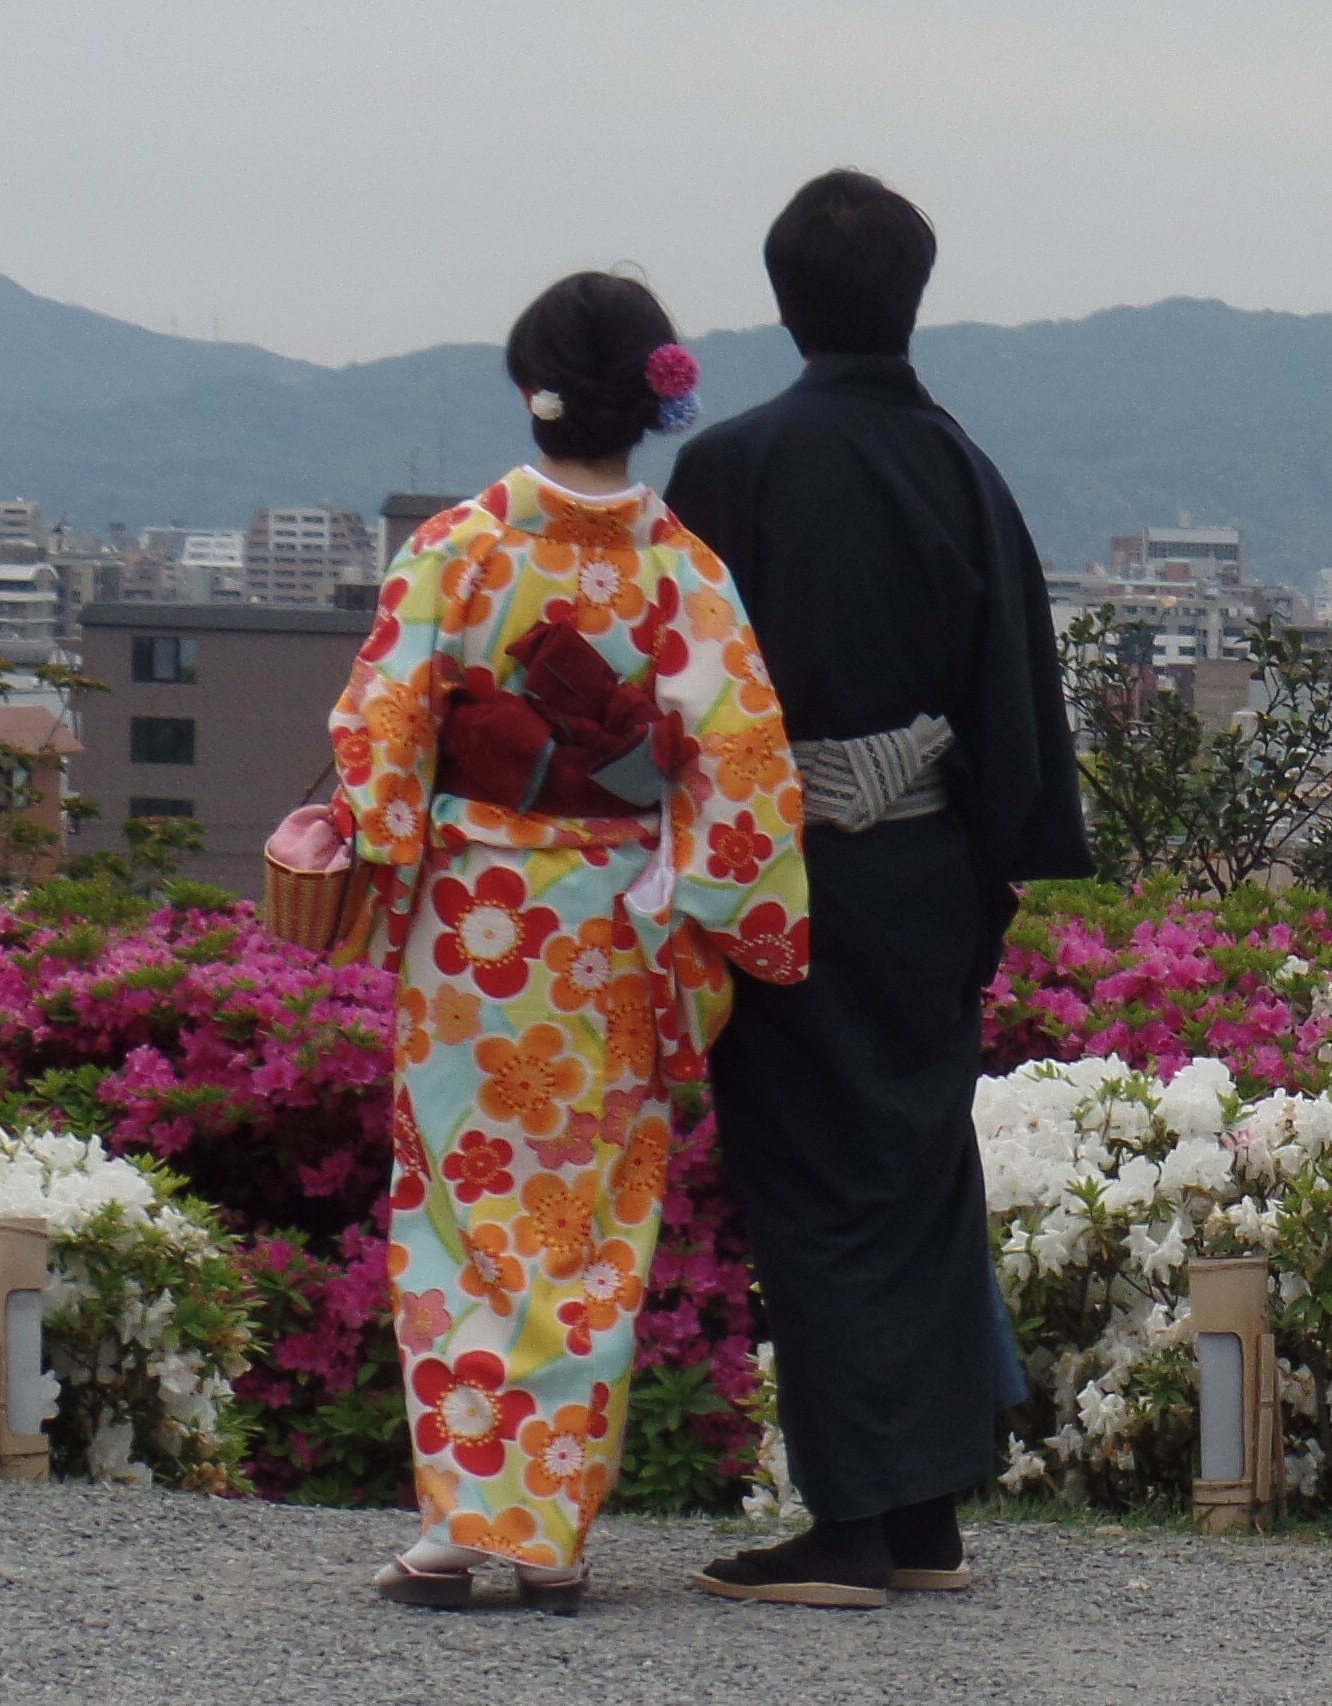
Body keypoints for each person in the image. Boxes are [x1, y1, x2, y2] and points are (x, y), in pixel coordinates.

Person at [330, 272, 812, 1612]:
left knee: (462, 1214)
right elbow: (747, 776)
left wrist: (386, 848)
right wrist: (719, 917)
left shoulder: (459, 549)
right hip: (614, 933)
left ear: (528, 385)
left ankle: (460, 1525)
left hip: (474, 932)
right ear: (653, 397)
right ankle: (549, 1531)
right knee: (590, 1223)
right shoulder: (684, 573)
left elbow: (379, 735)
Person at [666, 169, 1092, 1608]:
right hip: (926, 867)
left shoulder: (733, 464)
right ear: (914, 291)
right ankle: (921, 1514)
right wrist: (987, 867)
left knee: (813, 1182)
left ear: (784, 301)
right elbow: (1013, 693)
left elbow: (684, 691)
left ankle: (850, 1521)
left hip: (784, 868)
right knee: (911, 1173)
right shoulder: (962, 466)